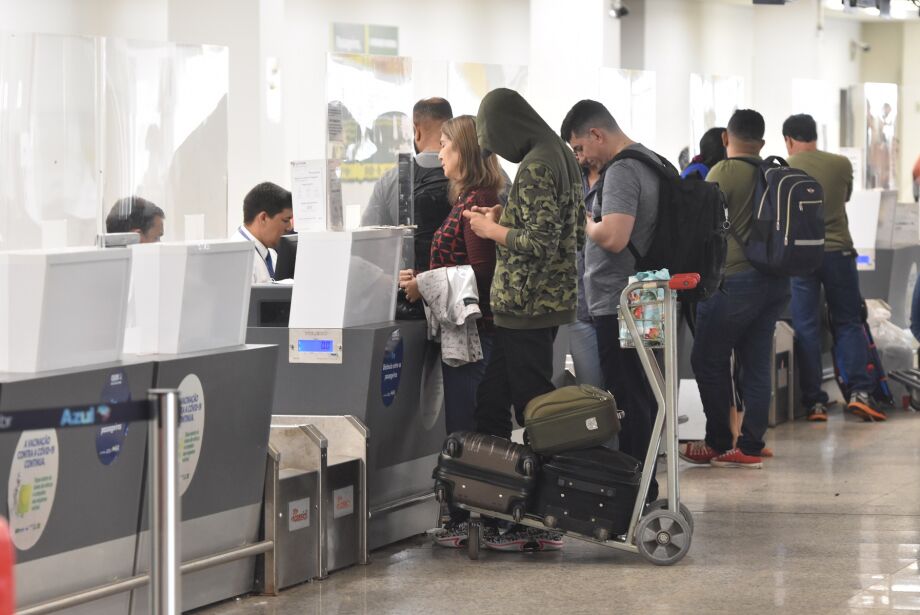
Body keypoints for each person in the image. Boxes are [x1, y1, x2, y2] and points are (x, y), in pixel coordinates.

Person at [462, 88, 583, 552]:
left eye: (493, 139)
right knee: (493, 402)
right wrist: (504, 214)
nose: (496, 151)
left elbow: (541, 241)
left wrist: (491, 229)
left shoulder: (536, 163)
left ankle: (536, 515)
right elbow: (562, 229)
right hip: (538, 304)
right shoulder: (559, 155)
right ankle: (495, 504)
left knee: (533, 411)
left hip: (526, 307)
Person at [398, 115, 503, 548]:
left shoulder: (479, 201)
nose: (439, 153)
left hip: (475, 336)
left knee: (467, 425)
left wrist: (424, 284)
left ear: (466, 152)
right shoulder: (464, 200)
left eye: (446, 145)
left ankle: (470, 517)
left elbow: (480, 273)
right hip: (463, 333)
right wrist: (420, 276)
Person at [560, 99, 662, 498]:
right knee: (644, 394)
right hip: (648, 293)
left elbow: (615, 236)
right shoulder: (652, 160)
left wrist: (587, 221)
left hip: (619, 302)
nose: (581, 158)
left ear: (596, 134)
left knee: (628, 398)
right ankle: (645, 485)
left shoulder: (622, 170)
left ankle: (636, 492)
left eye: (580, 148)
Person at [681, 109, 789, 469]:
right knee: (756, 363)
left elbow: (702, 224)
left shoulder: (723, 171)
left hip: (735, 281)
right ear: (761, 142)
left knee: (707, 359)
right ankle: (751, 444)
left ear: (726, 138)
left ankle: (717, 440)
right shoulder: (772, 172)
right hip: (774, 281)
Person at [782, 113, 886, 422]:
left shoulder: (785, 168)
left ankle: (814, 402)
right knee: (848, 321)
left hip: (801, 255)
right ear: (815, 135)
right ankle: (860, 392)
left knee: (806, 326)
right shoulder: (841, 164)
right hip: (839, 251)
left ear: (788, 140)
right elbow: (846, 197)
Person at [360, 98, 454, 272]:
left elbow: (367, 242)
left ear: (415, 131)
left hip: (409, 287)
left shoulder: (392, 178)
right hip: (465, 291)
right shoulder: (478, 173)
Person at [233, 182, 294, 284]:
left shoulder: (271, 254)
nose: (289, 227)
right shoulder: (238, 258)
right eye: (285, 220)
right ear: (263, 218)